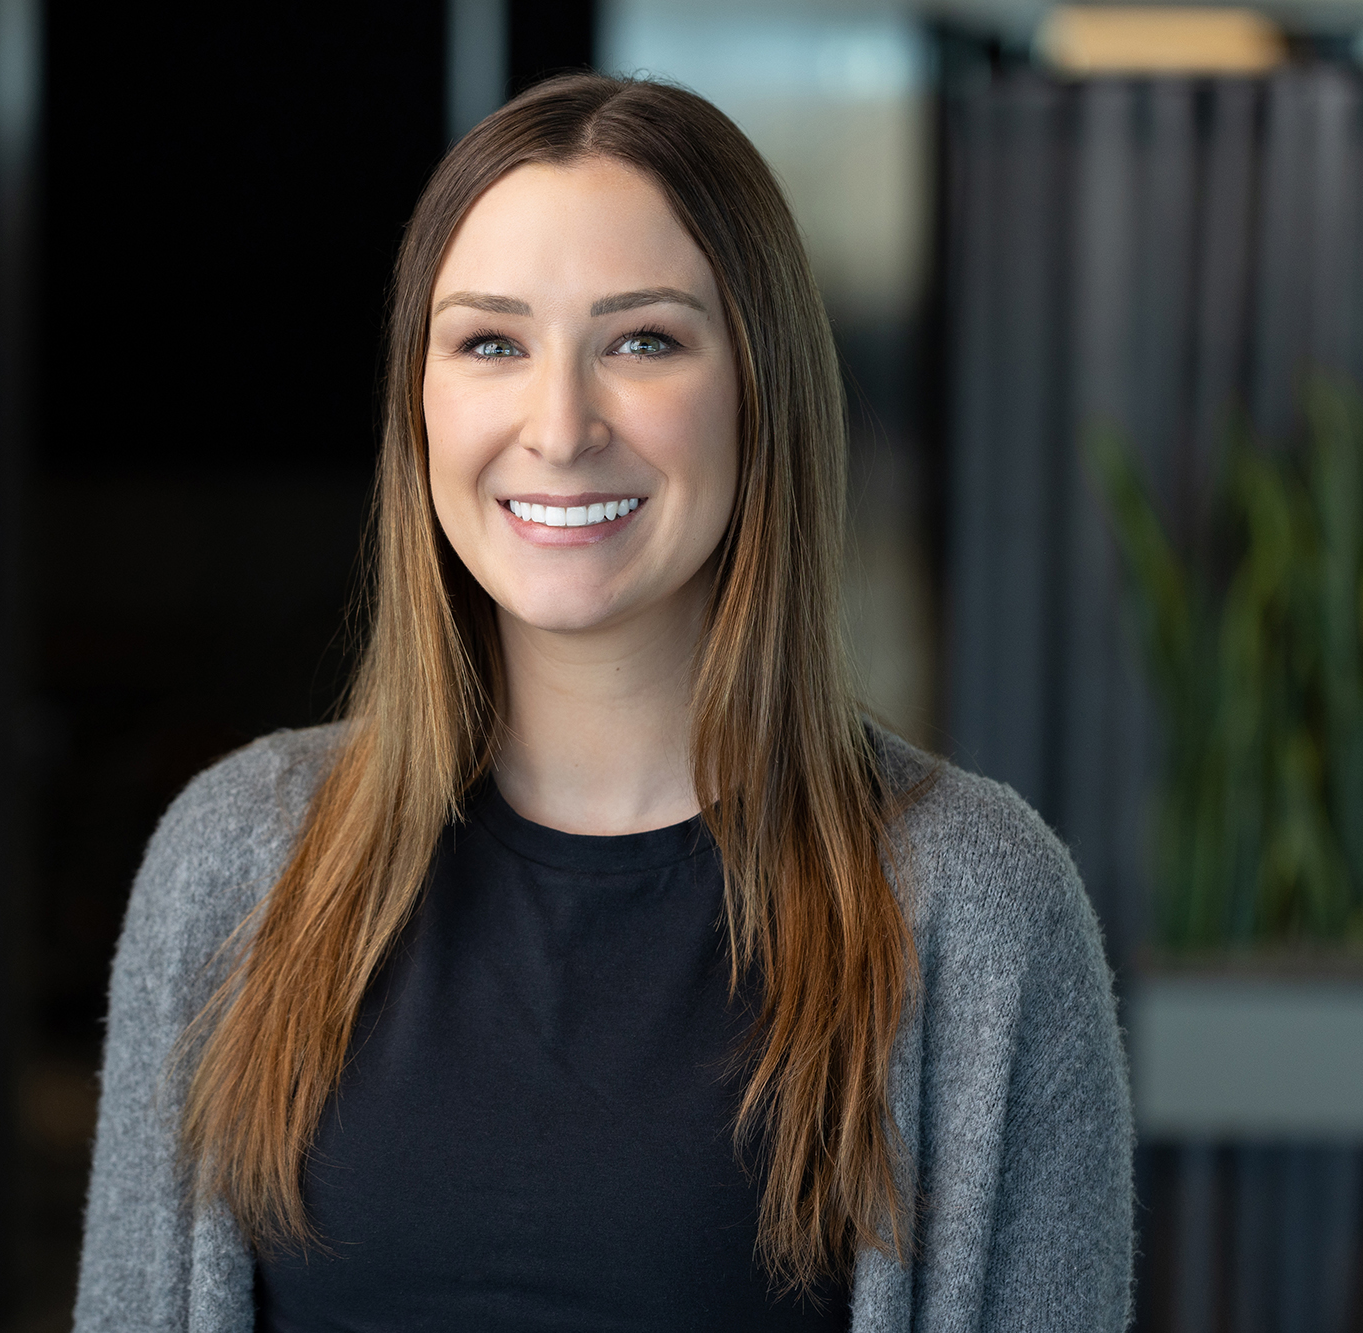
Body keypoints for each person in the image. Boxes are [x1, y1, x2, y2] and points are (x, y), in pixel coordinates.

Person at [74, 74, 1131, 1333]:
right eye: (490, 343)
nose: (559, 425)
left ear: (760, 385)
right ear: (419, 405)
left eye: (642, 340)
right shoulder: (234, 861)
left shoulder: (979, 909)